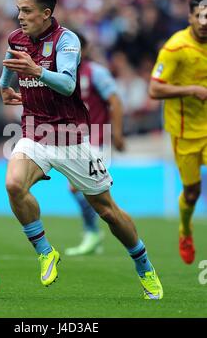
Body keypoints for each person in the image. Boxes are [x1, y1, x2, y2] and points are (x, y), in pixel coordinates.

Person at [0, 0, 163, 299]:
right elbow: (8, 65)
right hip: (35, 131)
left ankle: (144, 266)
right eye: (18, 9)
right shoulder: (16, 38)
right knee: (14, 185)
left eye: (27, 11)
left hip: (71, 138)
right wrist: (5, 86)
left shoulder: (66, 40)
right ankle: (46, 252)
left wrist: (36, 70)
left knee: (107, 211)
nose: (20, 16)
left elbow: (66, 84)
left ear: (46, 14)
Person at [149, 0, 207, 265]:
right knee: (192, 192)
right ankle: (185, 230)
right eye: (199, 16)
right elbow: (154, 88)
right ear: (190, 17)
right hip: (186, 131)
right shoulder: (175, 48)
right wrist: (191, 90)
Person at [65, 32, 125, 256]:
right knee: (81, 190)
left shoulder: (96, 72)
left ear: (86, 48)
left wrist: (117, 134)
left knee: (78, 188)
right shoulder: (62, 73)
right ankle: (94, 232)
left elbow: (115, 102)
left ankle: (93, 233)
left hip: (96, 140)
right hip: (72, 141)